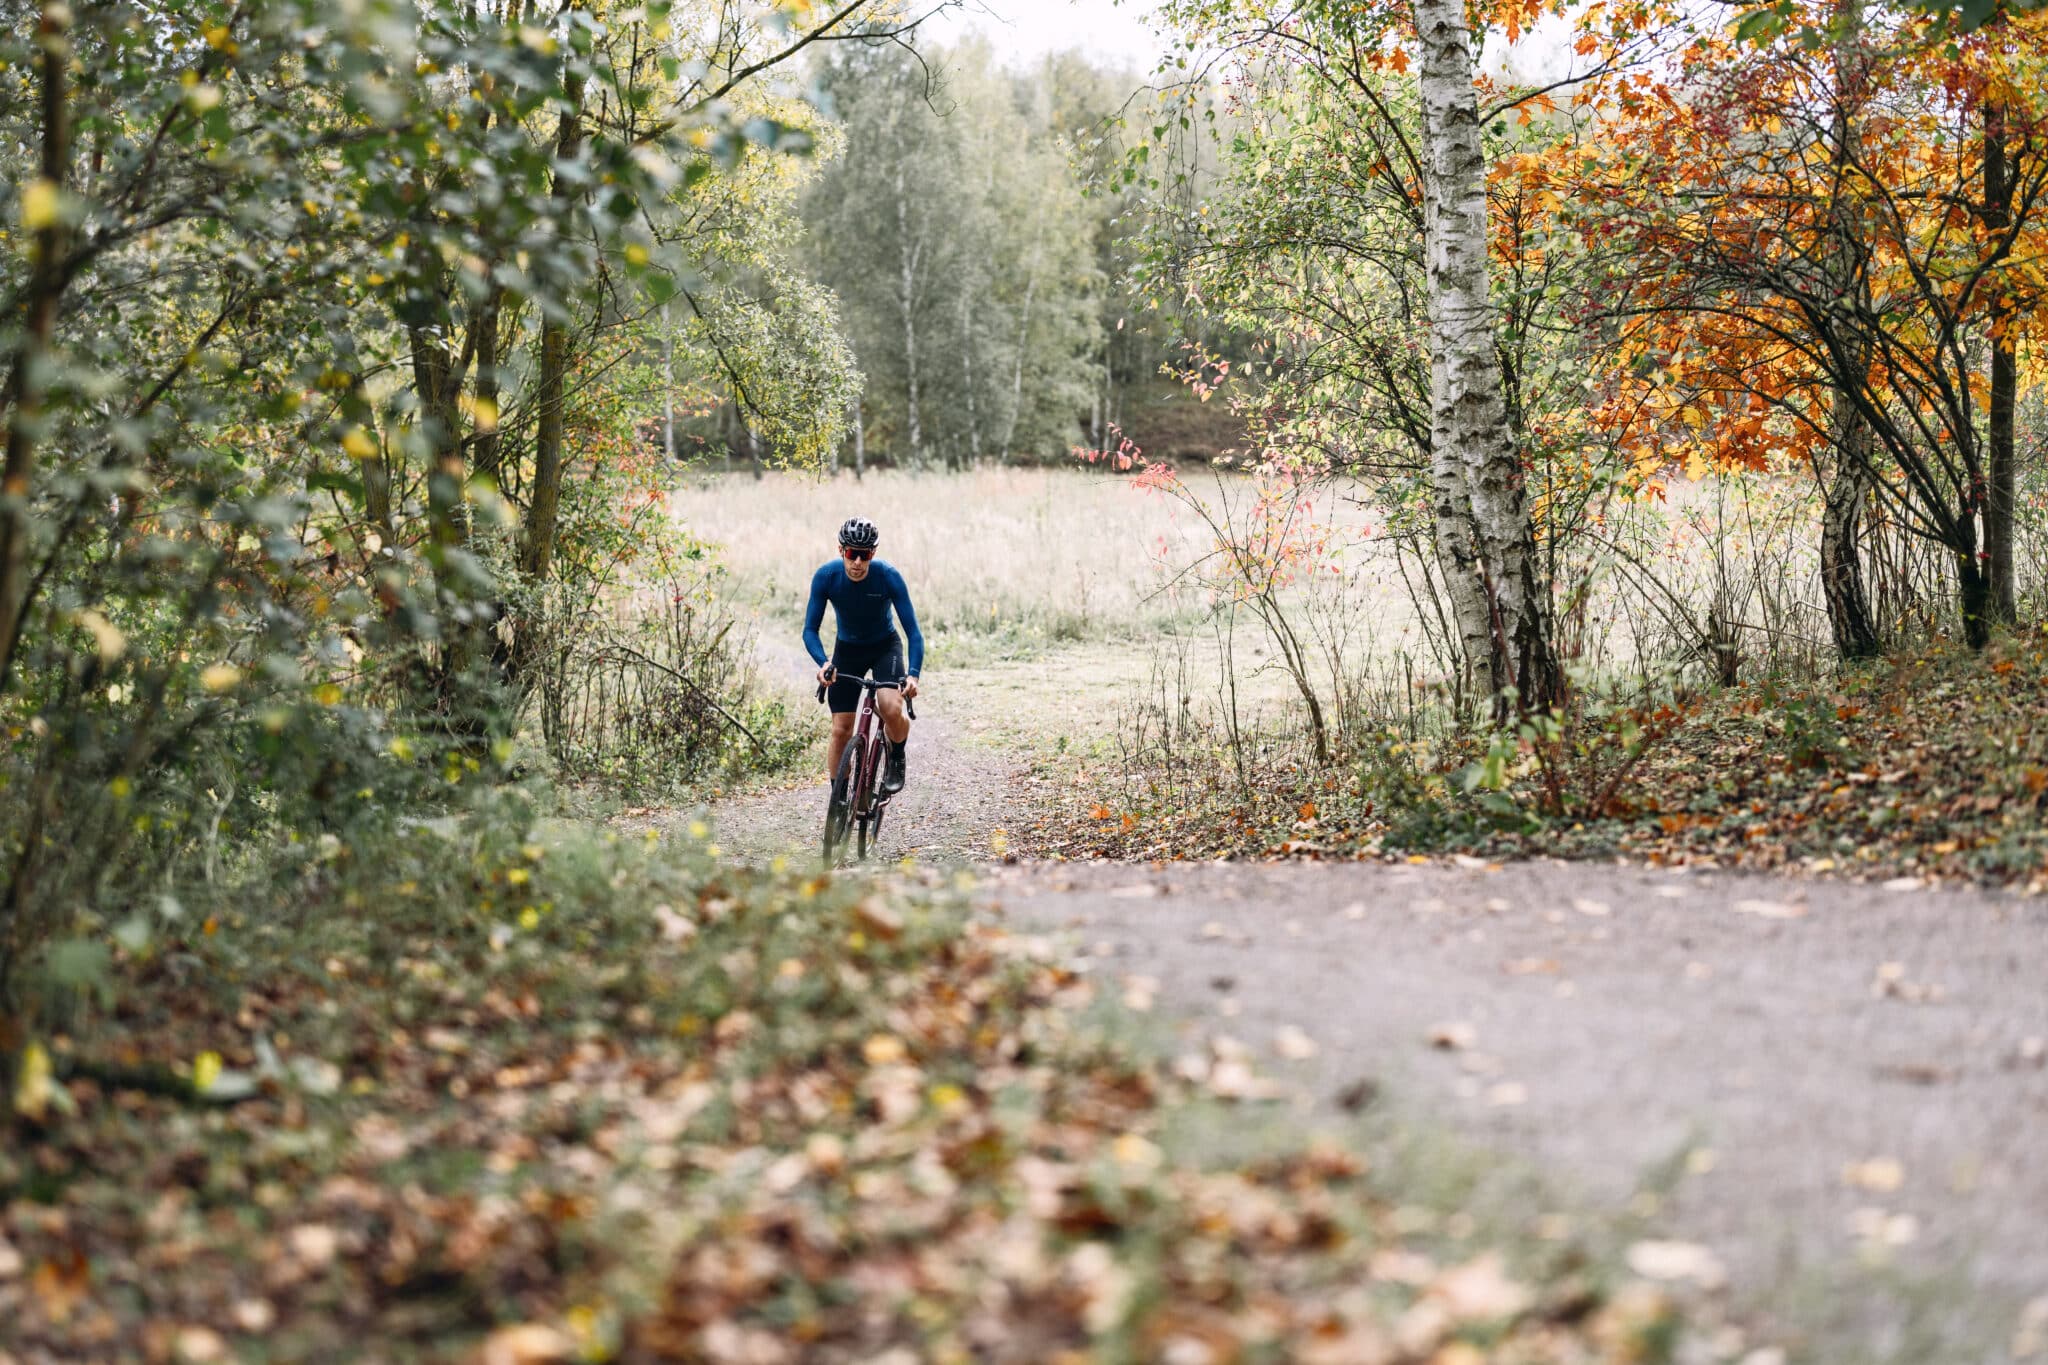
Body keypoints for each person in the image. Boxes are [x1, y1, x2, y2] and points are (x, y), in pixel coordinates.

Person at [803, 517, 923, 794]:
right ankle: (839, 803)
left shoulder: (888, 576)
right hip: (847, 650)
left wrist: (914, 674)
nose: (857, 562)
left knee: (891, 708)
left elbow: (914, 633)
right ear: (840, 550)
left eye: (864, 555)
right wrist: (824, 663)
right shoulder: (826, 577)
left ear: (873, 554)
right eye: (851, 554)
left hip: (885, 647)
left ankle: (896, 754)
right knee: (841, 730)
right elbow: (810, 630)